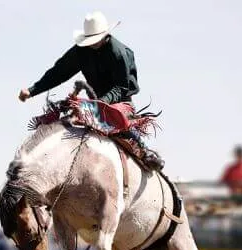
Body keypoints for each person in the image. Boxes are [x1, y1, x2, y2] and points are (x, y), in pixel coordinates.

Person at [18, 11, 163, 171]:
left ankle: (143, 150)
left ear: (105, 35)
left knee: (115, 121)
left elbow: (122, 87)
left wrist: (102, 102)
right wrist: (32, 90)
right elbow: (58, 72)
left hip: (120, 103)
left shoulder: (119, 53)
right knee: (65, 120)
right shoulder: (81, 51)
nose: (92, 44)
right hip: (94, 104)